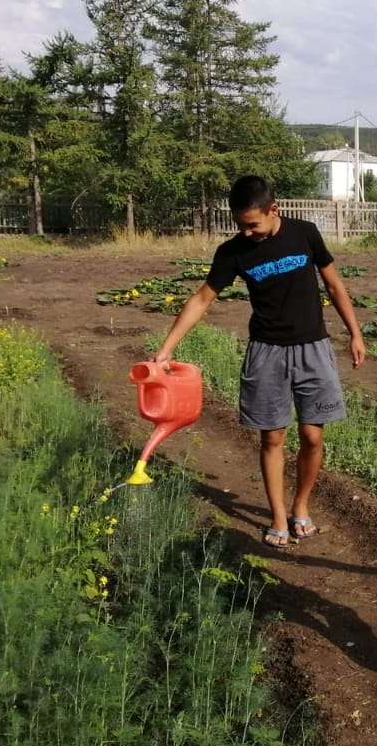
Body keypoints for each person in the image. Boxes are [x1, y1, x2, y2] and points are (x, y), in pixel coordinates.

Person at [149, 175, 366, 548]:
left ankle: (301, 505)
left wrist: (355, 333)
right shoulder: (233, 252)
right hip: (267, 352)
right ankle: (278, 516)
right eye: (240, 225)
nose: (246, 232)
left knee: (313, 436)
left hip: (313, 347)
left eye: (252, 225)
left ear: (273, 210)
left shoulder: (305, 234)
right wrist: (166, 348)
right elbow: (202, 299)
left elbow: (334, 285)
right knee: (272, 437)